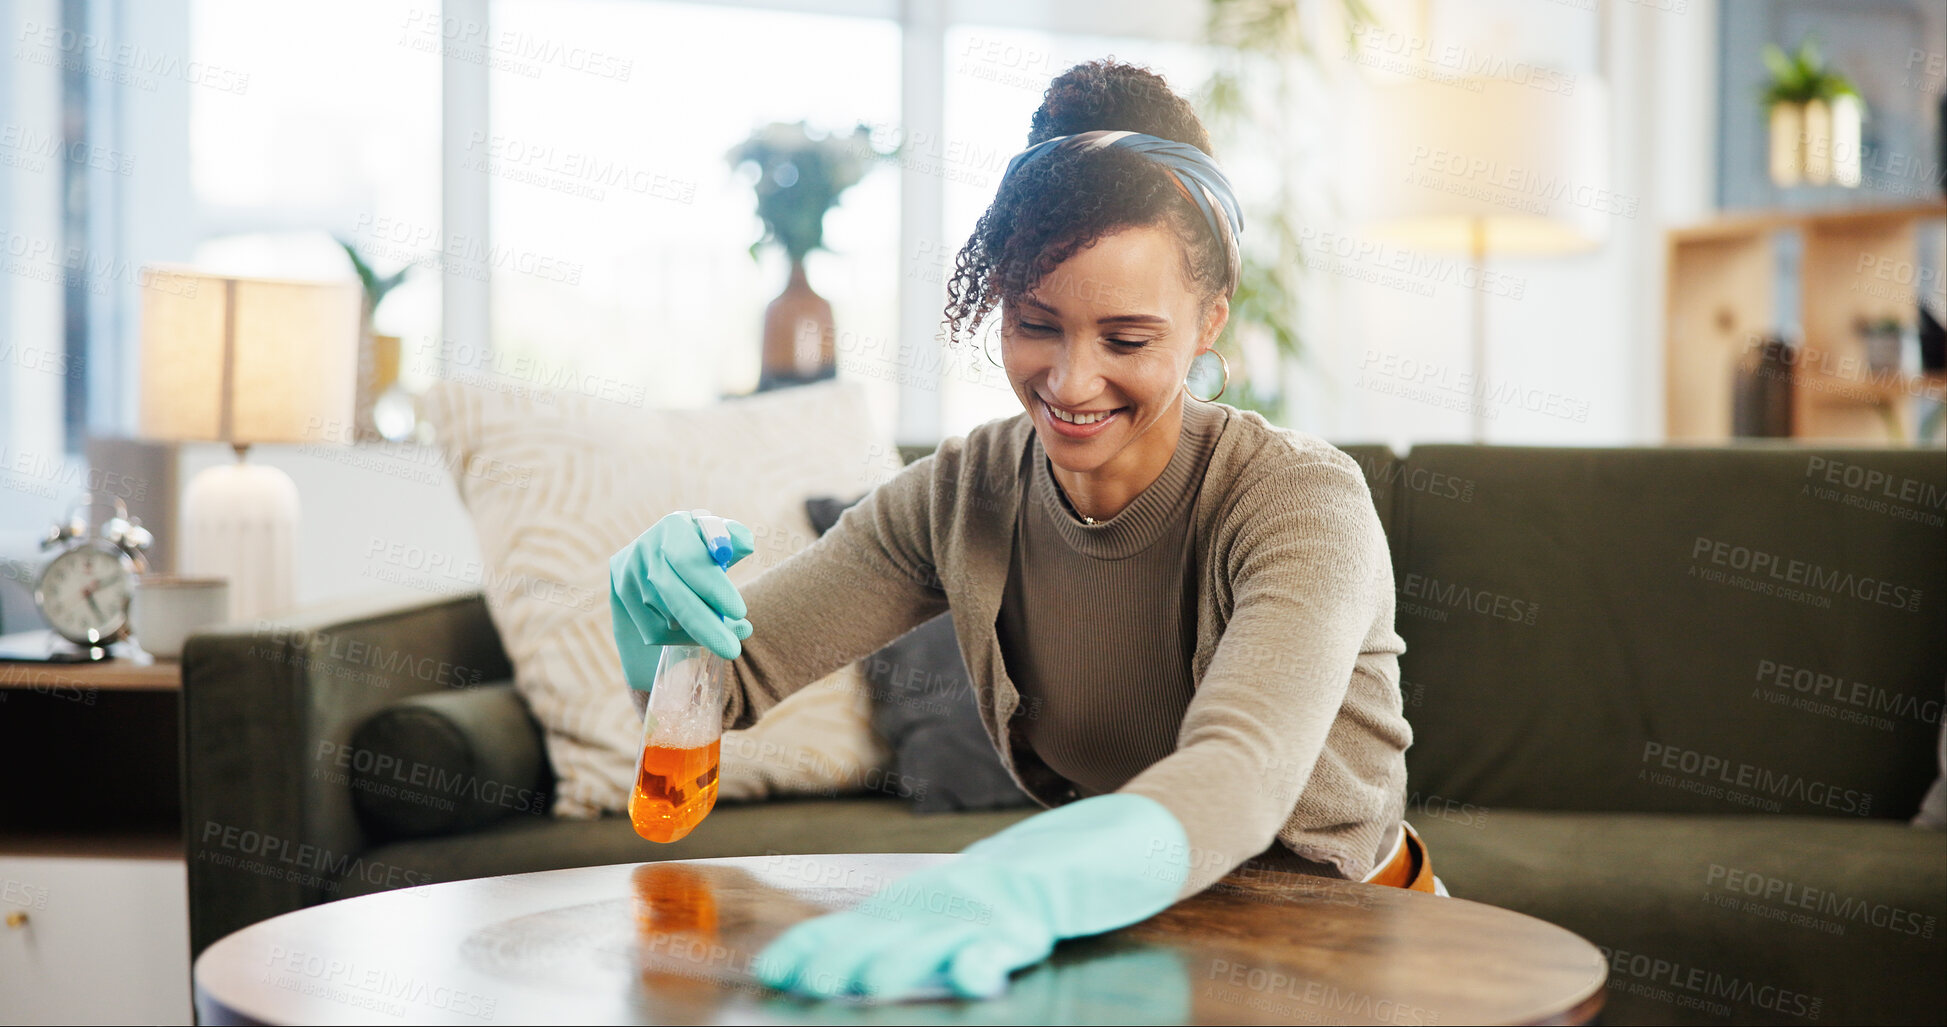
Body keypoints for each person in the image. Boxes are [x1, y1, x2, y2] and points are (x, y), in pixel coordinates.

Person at [609, 59, 1431, 1002]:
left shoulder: (1296, 501)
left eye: (1126, 339)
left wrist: (1021, 881)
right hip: (1129, 951)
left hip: (1337, 958)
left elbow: (1238, 773)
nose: (1071, 382)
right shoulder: (962, 493)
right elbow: (726, 683)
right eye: (1034, 323)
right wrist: (665, 635)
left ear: (1209, 320)